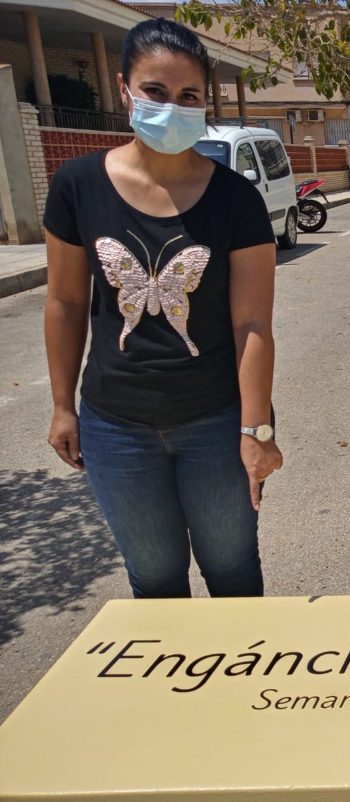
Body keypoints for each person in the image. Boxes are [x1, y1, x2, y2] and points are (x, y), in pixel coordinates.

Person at [43, 18, 283, 598]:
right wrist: (61, 407)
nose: (171, 107)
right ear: (124, 88)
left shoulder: (236, 199)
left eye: (188, 96)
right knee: (153, 578)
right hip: (116, 426)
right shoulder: (77, 185)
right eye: (155, 91)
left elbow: (253, 323)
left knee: (232, 572)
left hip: (216, 423)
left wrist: (257, 430)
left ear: (205, 102)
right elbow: (66, 302)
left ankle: (239, 688)